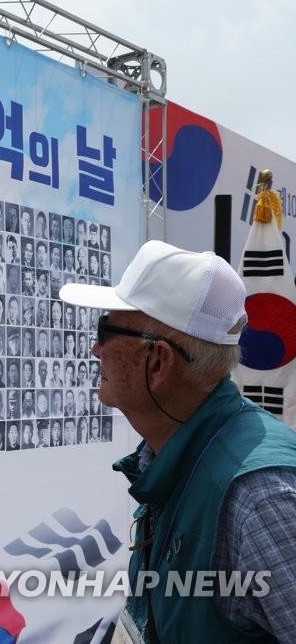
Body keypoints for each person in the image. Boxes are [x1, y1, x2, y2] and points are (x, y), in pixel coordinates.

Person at [58, 239, 296, 643]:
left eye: (105, 330)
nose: (95, 349)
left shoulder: (258, 495)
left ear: (158, 361)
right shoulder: (176, 455)